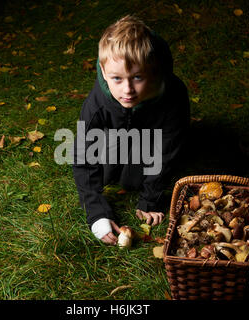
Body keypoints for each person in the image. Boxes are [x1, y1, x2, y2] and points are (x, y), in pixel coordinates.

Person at [72, 15, 190, 245]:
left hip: (152, 141)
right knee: (106, 174)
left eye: (137, 77)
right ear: (104, 74)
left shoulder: (173, 96)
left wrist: (150, 200)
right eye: (117, 78)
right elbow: (84, 156)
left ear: (153, 71)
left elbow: (167, 152)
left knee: (132, 180)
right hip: (114, 139)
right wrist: (96, 213)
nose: (127, 90)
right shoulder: (97, 103)